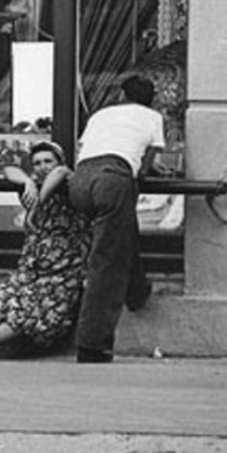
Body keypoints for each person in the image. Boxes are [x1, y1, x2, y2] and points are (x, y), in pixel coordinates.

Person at [0, 140, 92, 360]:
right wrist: (28, 181)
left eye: (48, 161)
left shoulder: (70, 181)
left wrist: (37, 205)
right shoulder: (32, 184)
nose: (43, 166)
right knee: (8, 292)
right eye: (37, 163)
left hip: (63, 270)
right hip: (33, 264)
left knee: (32, 306)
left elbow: (60, 172)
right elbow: (8, 169)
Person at [67, 74, 166, 364]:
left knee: (119, 234)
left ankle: (137, 291)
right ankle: (92, 345)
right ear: (153, 99)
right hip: (114, 177)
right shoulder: (153, 117)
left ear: (122, 95)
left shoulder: (102, 114)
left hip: (81, 181)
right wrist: (141, 172)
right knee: (107, 262)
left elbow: (83, 149)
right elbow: (148, 161)